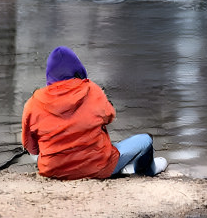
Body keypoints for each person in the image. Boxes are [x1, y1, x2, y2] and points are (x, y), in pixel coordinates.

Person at [21, 46, 167, 179]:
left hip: (52, 171)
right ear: (78, 69)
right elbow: (110, 116)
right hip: (97, 168)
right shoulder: (91, 90)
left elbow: (31, 148)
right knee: (145, 140)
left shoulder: (33, 102)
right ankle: (149, 170)